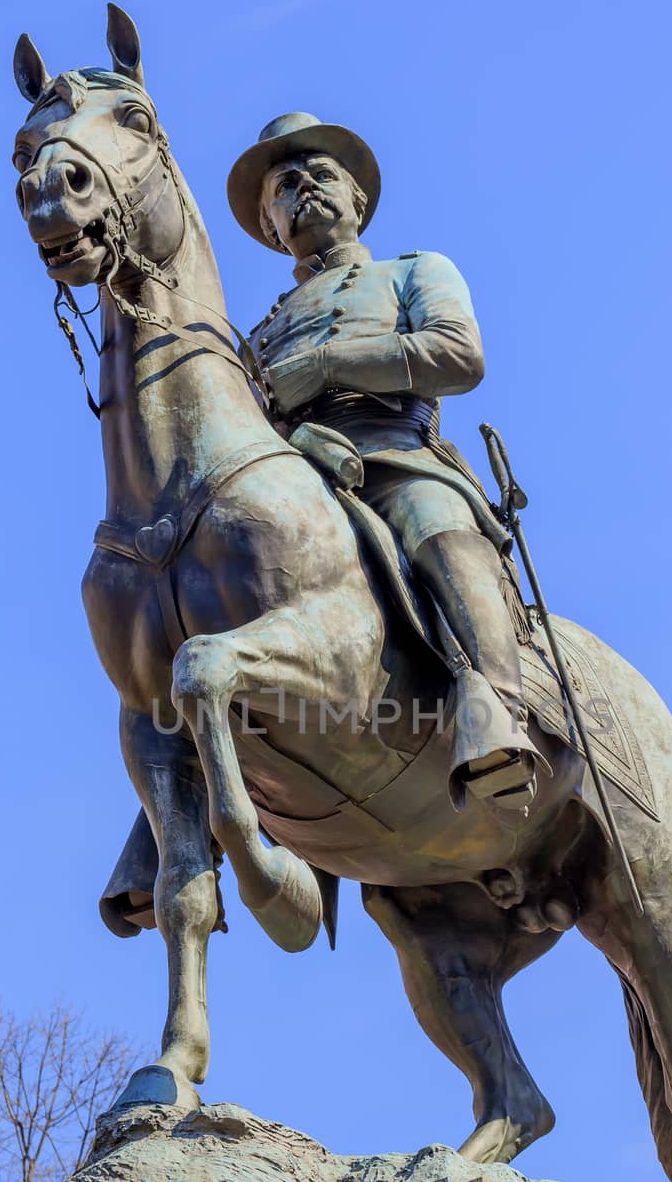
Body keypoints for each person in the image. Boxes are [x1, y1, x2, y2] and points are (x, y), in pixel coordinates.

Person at [227, 112, 541, 810]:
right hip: (295, 477)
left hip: (395, 456)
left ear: (358, 201)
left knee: (438, 531)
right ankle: (181, 797)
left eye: (319, 174)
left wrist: (328, 365)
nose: (302, 186)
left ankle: (496, 708)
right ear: (270, 225)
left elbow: (459, 356)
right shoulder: (256, 335)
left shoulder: (414, 272)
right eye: (283, 185)